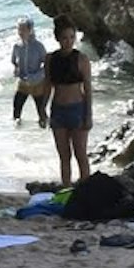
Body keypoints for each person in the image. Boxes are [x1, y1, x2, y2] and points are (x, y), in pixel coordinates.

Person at [40, 23, 95, 186]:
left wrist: (88, 115)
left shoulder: (81, 59)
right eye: (65, 37)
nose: (69, 41)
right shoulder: (51, 59)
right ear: (58, 38)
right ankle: (66, 190)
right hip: (58, 111)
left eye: (72, 37)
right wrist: (42, 109)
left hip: (77, 109)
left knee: (81, 154)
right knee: (64, 156)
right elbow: (47, 84)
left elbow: (88, 89)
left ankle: (86, 192)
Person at [8, 19, 47, 124]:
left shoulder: (38, 46)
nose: (21, 32)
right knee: (16, 108)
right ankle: (18, 134)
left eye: (23, 29)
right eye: (19, 29)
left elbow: (46, 64)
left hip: (37, 83)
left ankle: (44, 133)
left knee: (41, 111)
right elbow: (13, 61)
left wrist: (37, 75)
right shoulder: (17, 46)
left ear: (30, 30)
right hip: (23, 83)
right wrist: (16, 68)